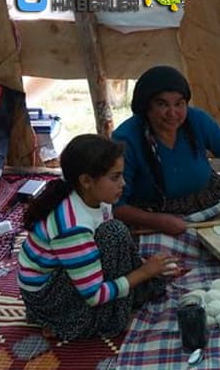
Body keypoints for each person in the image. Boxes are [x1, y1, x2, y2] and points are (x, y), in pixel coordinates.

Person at [18, 134, 182, 341]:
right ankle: (61, 321)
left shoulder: (95, 198)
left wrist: (147, 268)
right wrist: (144, 272)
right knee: (114, 233)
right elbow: (94, 296)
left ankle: (124, 294)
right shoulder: (72, 228)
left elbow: (105, 247)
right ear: (86, 180)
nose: (123, 183)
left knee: (115, 232)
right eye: (115, 177)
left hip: (68, 271)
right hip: (47, 298)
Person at [112, 66, 220, 235]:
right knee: (165, 258)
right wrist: (159, 221)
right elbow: (116, 205)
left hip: (208, 199)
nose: (172, 113)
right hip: (155, 215)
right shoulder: (126, 139)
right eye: (162, 104)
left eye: (179, 104)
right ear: (146, 105)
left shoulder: (197, 120)